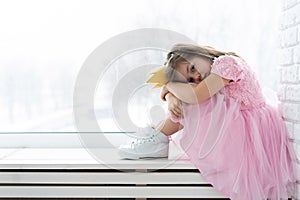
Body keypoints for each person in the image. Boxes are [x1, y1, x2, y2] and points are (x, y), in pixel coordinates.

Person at [118, 43, 297, 199]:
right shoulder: (215, 69)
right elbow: (193, 91)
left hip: (249, 131)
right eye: (189, 78)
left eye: (193, 69)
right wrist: (172, 96)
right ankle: (157, 136)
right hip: (244, 125)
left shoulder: (227, 63)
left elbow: (196, 95)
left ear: (199, 53)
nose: (195, 77)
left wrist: (168, 85)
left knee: (193, 103)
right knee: (189, 99)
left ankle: (158, 138)